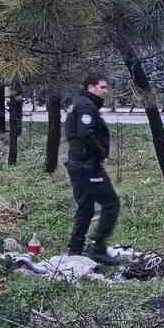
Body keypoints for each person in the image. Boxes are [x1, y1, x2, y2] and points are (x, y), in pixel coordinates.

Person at [64, 74, 119, 264]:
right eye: (102, 87)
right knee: (111, 203)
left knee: (86, 207)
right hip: (87, 166)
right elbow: (85, 133)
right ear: (91, 87)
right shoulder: (86, 105)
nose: (105, 91)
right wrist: (101, 151)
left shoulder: (82, 103)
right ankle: (97, 247)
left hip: (80, 164)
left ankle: (76, 249)